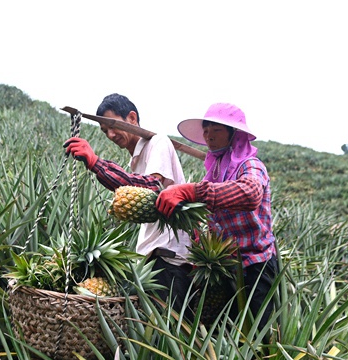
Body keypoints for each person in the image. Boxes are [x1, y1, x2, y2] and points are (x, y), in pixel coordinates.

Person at [64, 93, 192, 311]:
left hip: (168, 260)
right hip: (152, 258)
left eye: (113, 125)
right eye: (104, 131)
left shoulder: (158, 142)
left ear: (132, 118)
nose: (111, 134)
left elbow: (151, 187)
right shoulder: (136, 159)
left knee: (167, 334)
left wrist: (96, 163)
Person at [154, 103, 278, 330]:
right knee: (228, 331)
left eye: (217, 129)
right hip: (227, 265)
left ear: (235, 134)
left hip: (256, 265)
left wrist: (193, 191)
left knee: (260, 333)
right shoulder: (216, 170)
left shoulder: (250, 165)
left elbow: (250, 193)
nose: (209, 135)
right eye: (206, 129)